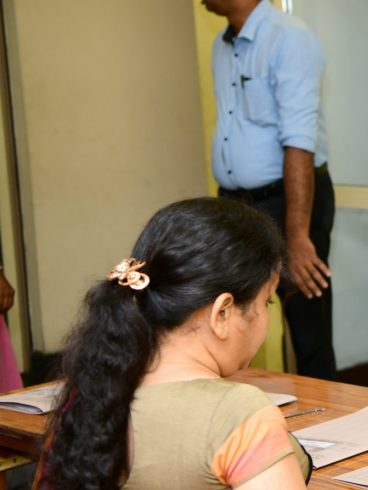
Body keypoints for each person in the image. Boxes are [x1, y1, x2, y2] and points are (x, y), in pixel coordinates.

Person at [36, 198, 310, 489]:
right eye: (266, 301)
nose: (267, 316)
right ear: (222, 313)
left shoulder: (92, 394)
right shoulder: (236, 412)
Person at [203, 0, 337, 379]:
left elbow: (299, 142)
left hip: (287, 202)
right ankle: (246, 408)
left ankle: (325, 412)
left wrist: (297, 235)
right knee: (232, 319)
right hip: (235, 205)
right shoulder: (221, 46)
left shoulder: (290, 39)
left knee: (307, 326)